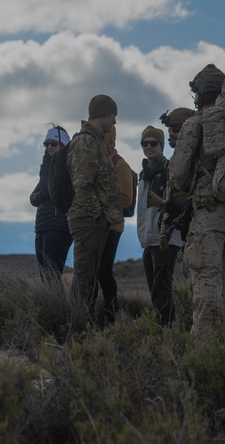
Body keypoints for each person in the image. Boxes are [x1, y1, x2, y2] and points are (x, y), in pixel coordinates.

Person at [168, 64, 225, 336]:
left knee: (205, 282)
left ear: (199, 93)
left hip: (209, 213)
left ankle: (204, 351)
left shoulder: (195, 123)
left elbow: (179, 175)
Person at [66, 94, 123, 320]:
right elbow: (83, 183)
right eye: (113, 116)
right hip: (88, 219)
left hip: (93, 219)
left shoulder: (94, 140)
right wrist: (98, 213)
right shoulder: (86, 142)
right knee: (83, 277)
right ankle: (76, 327)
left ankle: (85, 326)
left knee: (89, 278)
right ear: (104, 114)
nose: (115, 122)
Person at [136, 125, 182, 325]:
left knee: (161, 287)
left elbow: (176, 202)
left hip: (166, 236)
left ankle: (164, 330)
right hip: (148, 238)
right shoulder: (143, 174)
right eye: (145, 143)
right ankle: (167, 327)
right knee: (155, 287)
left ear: (162, 145)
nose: (149, 147)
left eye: (153, 143)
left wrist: (165, 230)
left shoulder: (168, 169)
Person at [94, 124, 133, 322]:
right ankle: (96, 314)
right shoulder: (97, 161)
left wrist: (98, 199)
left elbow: (126, 199)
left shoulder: (120, 165)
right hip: (96, 226)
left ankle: (111, 315)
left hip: (112, 227)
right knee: (94, 271)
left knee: (103, 272)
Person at [29, 125, 73, 280]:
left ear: (63, 145)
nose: (49, 147)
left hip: (58, 225)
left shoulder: (68, 165)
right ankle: (50, 304)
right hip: (42, 226)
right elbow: (33, 198)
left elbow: (49, 192)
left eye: (53, 143)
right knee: (45, 276)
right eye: (46, 144)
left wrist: (44, 194)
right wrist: (45, 194)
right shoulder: (46, 167)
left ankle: (58, 305)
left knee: (51, 275)